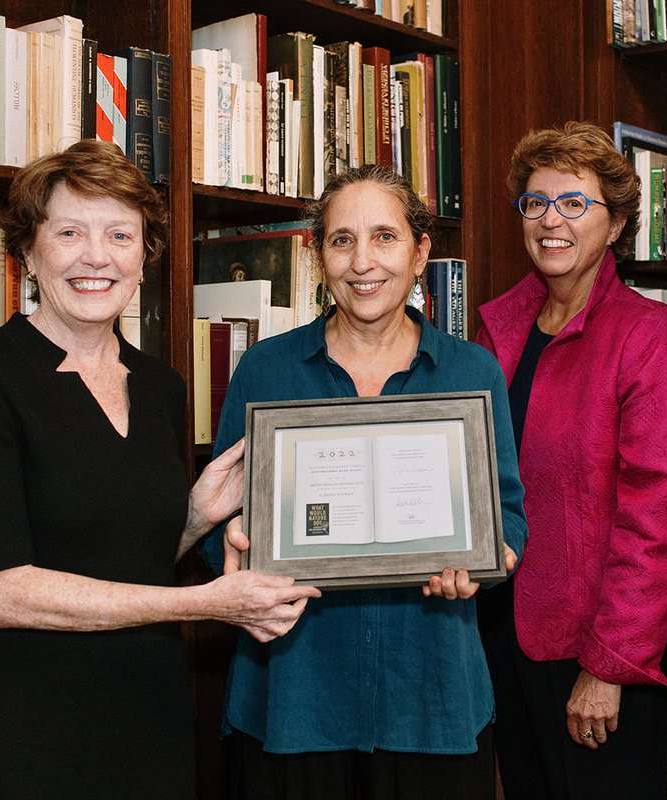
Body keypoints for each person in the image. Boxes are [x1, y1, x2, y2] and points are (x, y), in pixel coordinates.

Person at [0, 139, 319, 799]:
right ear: (27, 249)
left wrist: (196, 513)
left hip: (145, 702)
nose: (96, 257)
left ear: (144, 254)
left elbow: (126, 555)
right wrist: (202, 604)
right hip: (25, 716)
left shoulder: (158, 385)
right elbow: (3, 594)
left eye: (120, 234)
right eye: (70, 231)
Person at [202, 163, 528, 800]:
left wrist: (487, 561)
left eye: (385, 236)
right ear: (318, 256)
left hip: (431, 703)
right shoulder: (266, 371)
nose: (363, 262)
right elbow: (222, 528)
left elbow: (506, 517)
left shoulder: (472, 372)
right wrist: (237, 549)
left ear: (420, 251)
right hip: (293, 703)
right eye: (342, 240)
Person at [475, 121, 667, 799]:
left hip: (595, 652)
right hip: (498, 637)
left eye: (575, 203)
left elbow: (657, 520)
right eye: (535, 202)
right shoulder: (495, 328)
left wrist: (611, 665)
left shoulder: (650, 337)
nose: (551, 221)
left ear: (618, 222)